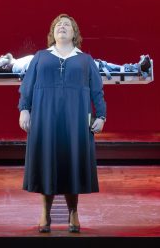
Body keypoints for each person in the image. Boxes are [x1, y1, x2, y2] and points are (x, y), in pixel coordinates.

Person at [19, 14, 106, 233]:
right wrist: (24, 110)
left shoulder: (86, 60)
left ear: (75, 33)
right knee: (46, 161)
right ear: (52, 33)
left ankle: (73, 212)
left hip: (76, 118)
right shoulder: (40, 57)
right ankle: (44, 212)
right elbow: (27, 86)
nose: (62, 27)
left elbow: (97, 90)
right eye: (58, 25)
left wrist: (101, 116)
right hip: (45, 117)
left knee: (72, 162)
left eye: (67, 25)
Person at [0, 53, 152, 77]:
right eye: (0, 59)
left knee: (97, 64)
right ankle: (135, 69)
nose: (2, 55)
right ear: (3, 67)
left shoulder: (17, 61)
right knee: (96, 65)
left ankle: (134, 68)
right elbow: (34, 69)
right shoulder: (17, 66)